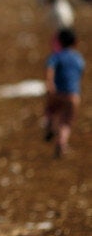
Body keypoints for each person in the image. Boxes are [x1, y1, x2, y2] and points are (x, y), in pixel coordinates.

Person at [44, 29, 85, 158]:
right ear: (75, 42)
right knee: (66, 122)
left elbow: (49, 68)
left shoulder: (56, 56)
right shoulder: (78, 59)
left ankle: (50, 124)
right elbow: (80, 74)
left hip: (57, 93)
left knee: (50, 110)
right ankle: (62, 142)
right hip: (73, 95)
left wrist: (50, 84)